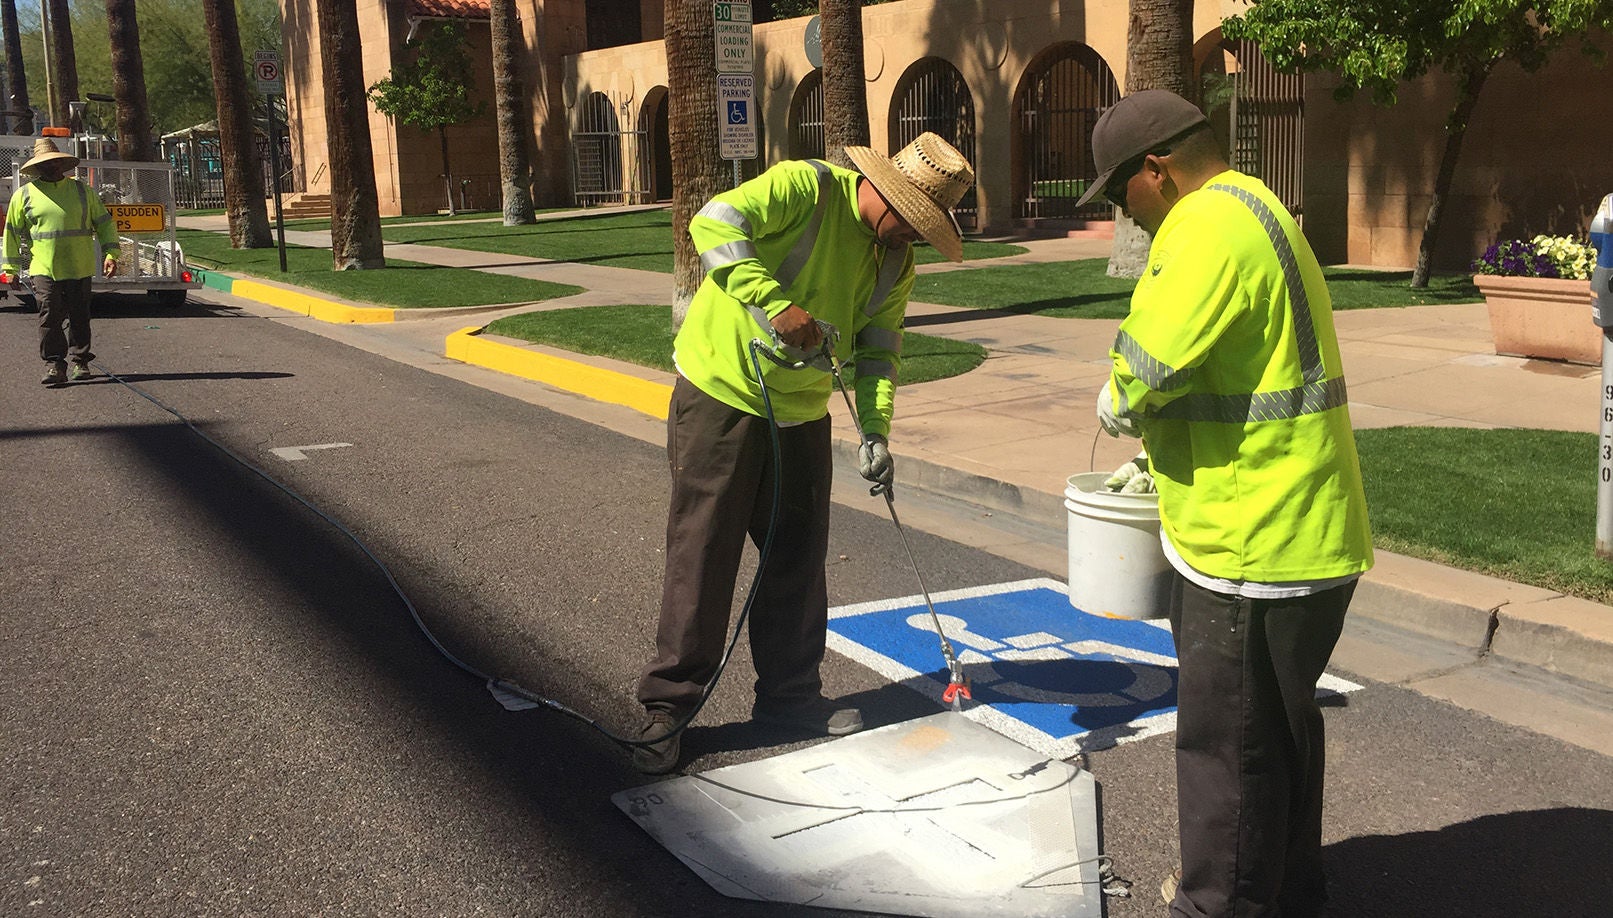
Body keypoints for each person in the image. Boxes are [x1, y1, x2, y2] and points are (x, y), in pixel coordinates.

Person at [1083, 90, 1374, 917]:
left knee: (1227, 750)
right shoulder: (1256, 204)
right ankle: (1289, 892)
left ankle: (1216, 904)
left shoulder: (1203, 225)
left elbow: (1143, 367)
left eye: (1119, 193)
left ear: (1155, 169)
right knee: (1278, 734)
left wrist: (1116, 402)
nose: (1122, 213)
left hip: (1250, 539)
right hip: (1302, 525)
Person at [632, 133, 975, 775]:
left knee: (796, 561)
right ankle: (667, 709)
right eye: (912, 221)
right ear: (883, 192)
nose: (913, 237)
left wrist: (875, 431)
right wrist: (776, 302)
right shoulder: (805, 188)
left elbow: (880, 350)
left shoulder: (895, 262)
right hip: (722, 395)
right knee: (704, 555)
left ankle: (789, 699)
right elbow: (713, 223)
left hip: (804, 414)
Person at [4, 137, 120, 386]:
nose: (51, 166)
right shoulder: (24, 195)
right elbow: (11, 233)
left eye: (54, 161)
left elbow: (104, 223)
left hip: (79, 265)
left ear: (61, 163)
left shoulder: (82, 191)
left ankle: (80, 360)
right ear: (37, 167)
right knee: (49, 315)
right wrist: (9, 269)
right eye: (45, 163)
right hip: (44, 267)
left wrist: (111, 253)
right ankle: (54, 364)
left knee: (80, 316)